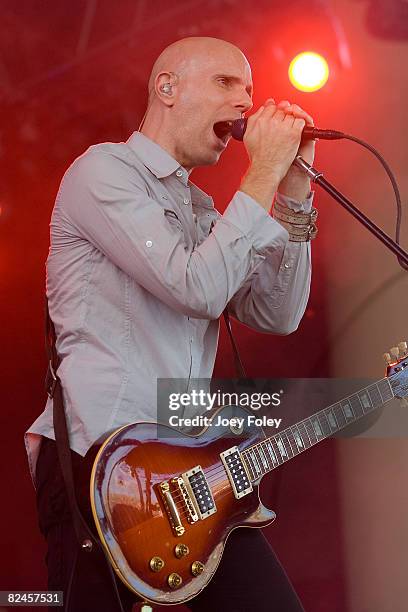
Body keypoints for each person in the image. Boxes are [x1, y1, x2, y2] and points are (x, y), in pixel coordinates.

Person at [25, 36, 317, 611]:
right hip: (97, 463)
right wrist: (262, 172)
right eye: (226, 83)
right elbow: (198, 288)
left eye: (250, 90)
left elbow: (276, 314)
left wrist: (295, 188)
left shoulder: (204, 210)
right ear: (167, 87)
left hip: (190, 474)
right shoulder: (102, 171)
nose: (245, 103)